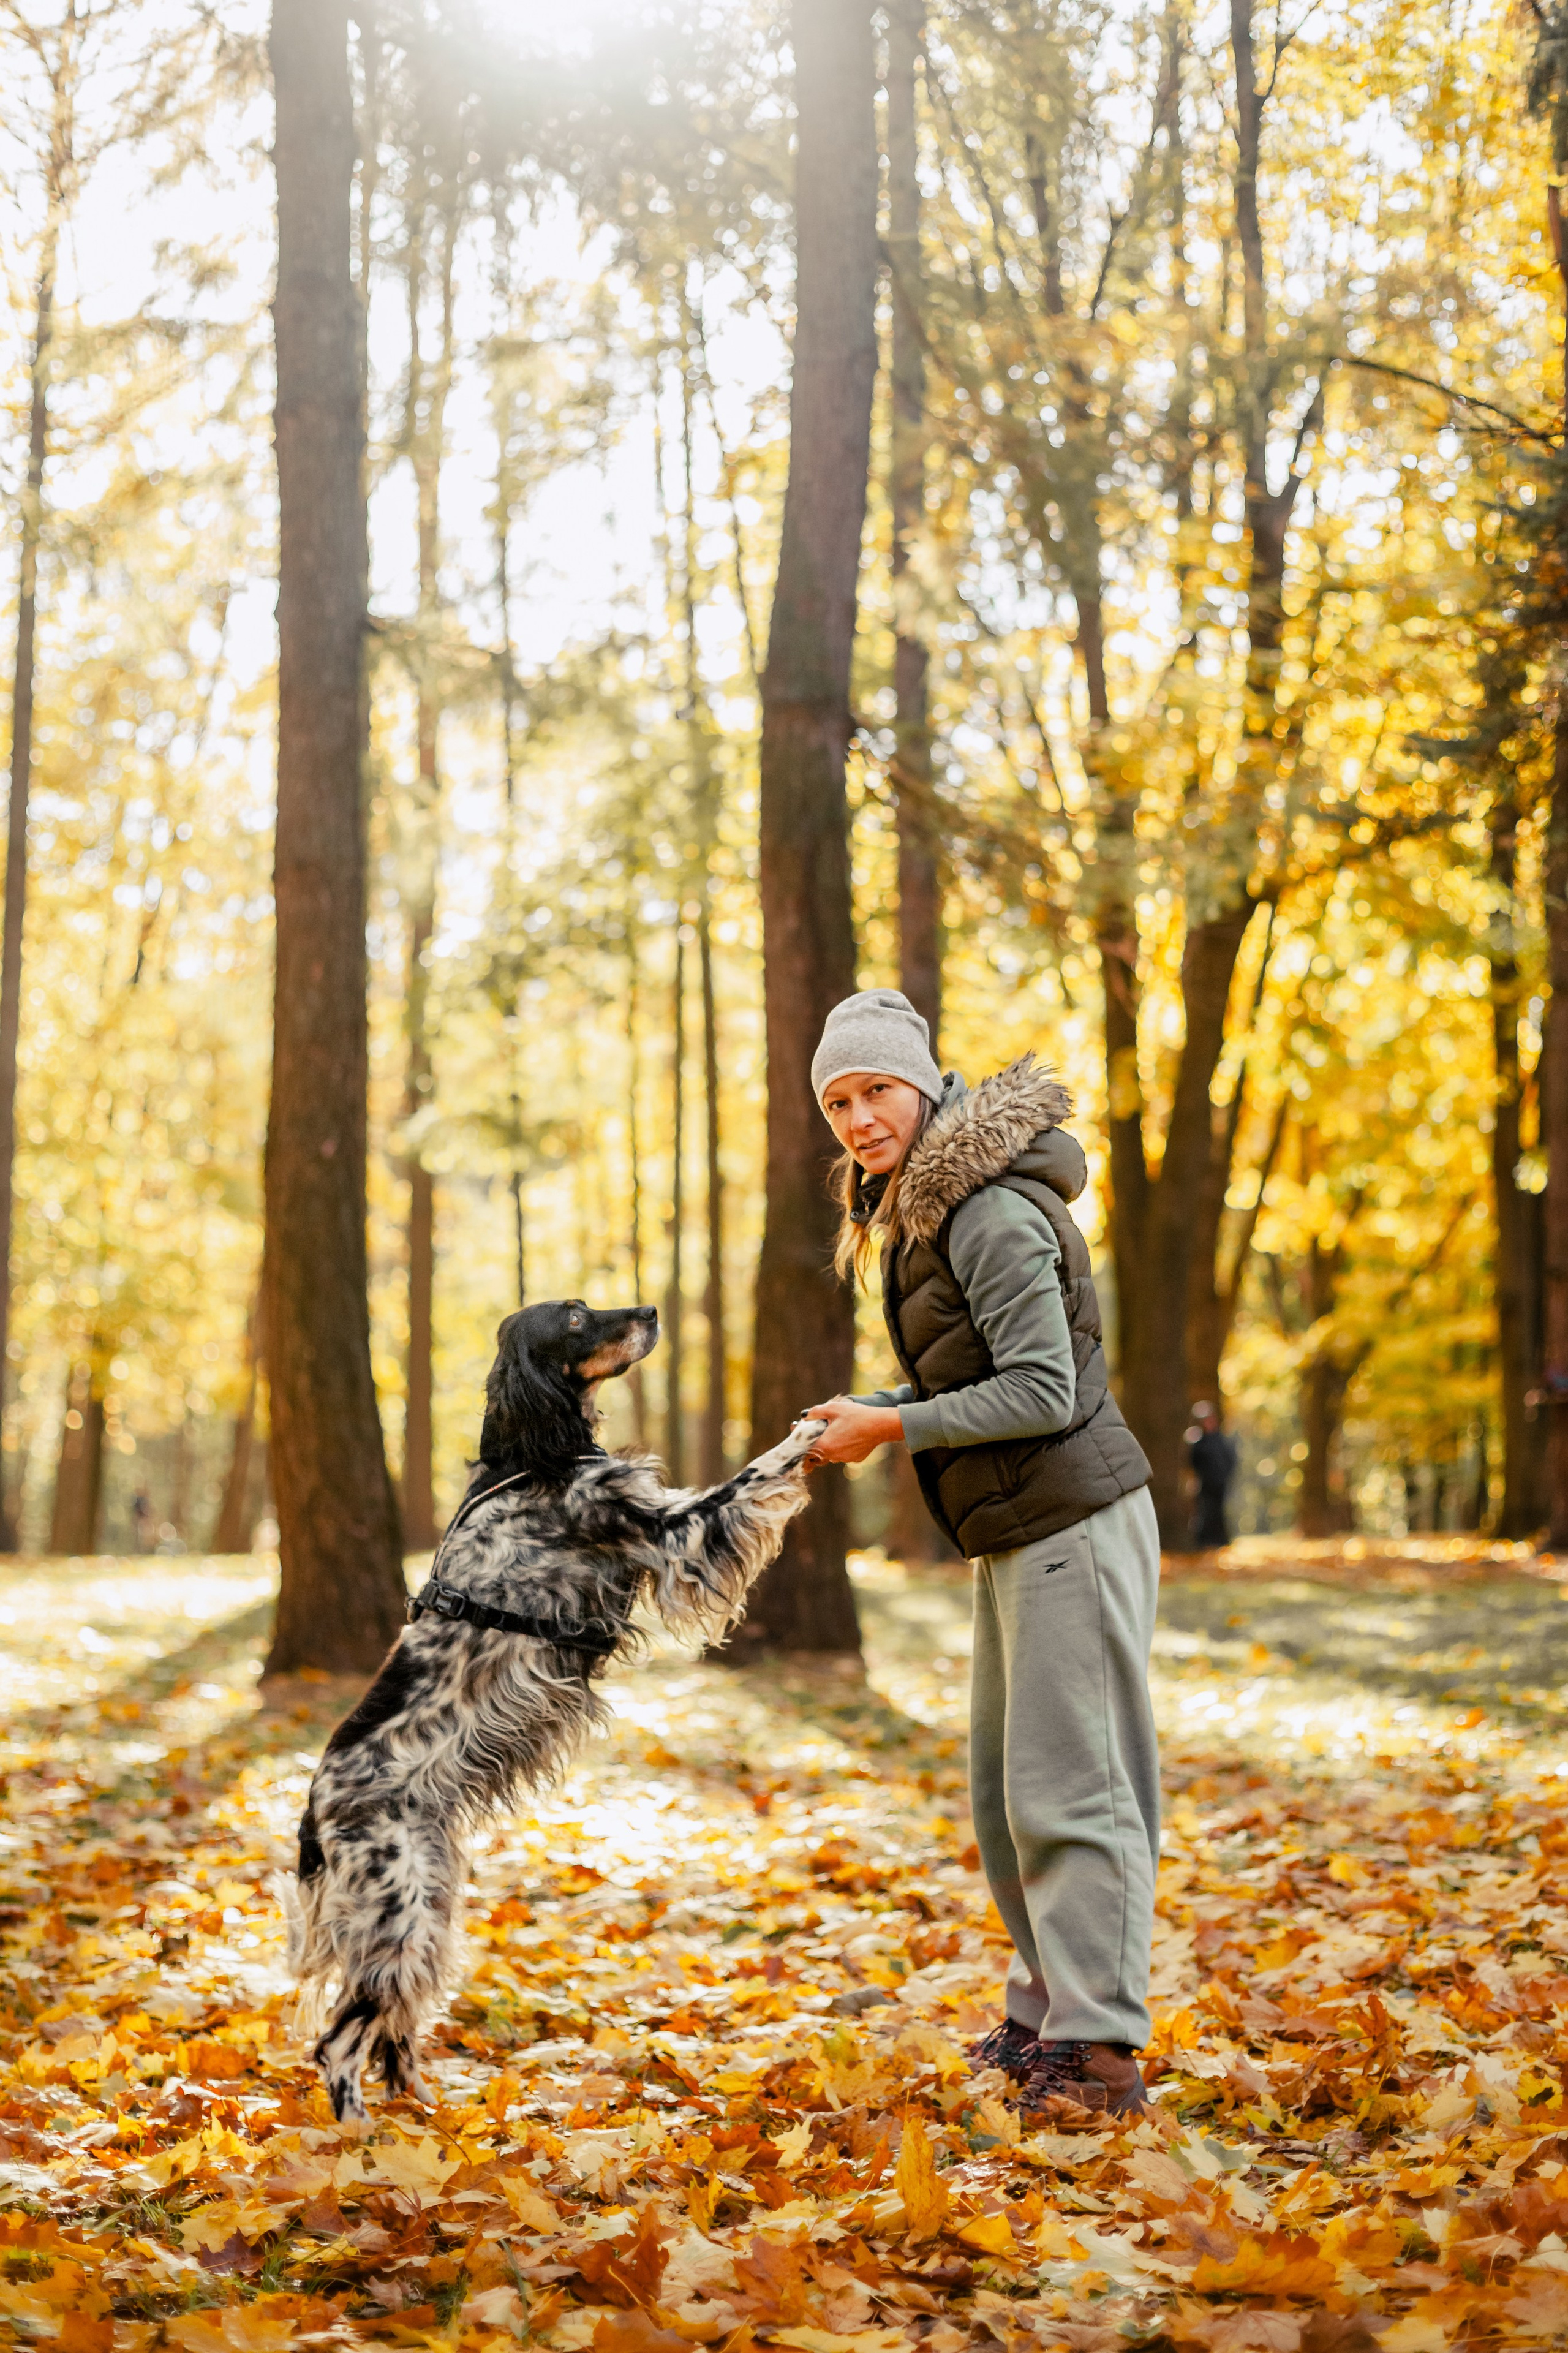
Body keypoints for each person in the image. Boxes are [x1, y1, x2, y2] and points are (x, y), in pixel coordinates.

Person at [800, 989, 1159, 2122]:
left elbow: (1045, 1391)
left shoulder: (985, 1210)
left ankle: (1097, 2053)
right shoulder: (922, 1209)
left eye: (876, 1091)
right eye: (839, 1101)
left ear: (925, 1082)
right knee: (1011, 1797)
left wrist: (894, 1425)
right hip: (1019, 1524)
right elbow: (982, 1376)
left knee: (1076, 1789)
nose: (859, 1118)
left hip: (1074, 1519)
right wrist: (882, 1405)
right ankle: (1046, 2020)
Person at [1187, 1402, 1237, 1549]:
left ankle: (1220, 1542)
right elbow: (1192, 1464)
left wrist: (1225, 1477)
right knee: (1204, 1514)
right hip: (1204, 1486)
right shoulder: (1197, 1441)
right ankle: (1204, 1543)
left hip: (1220, 1485)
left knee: (1219, 1514)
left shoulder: (1220, 1440)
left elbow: (1230, 1460)